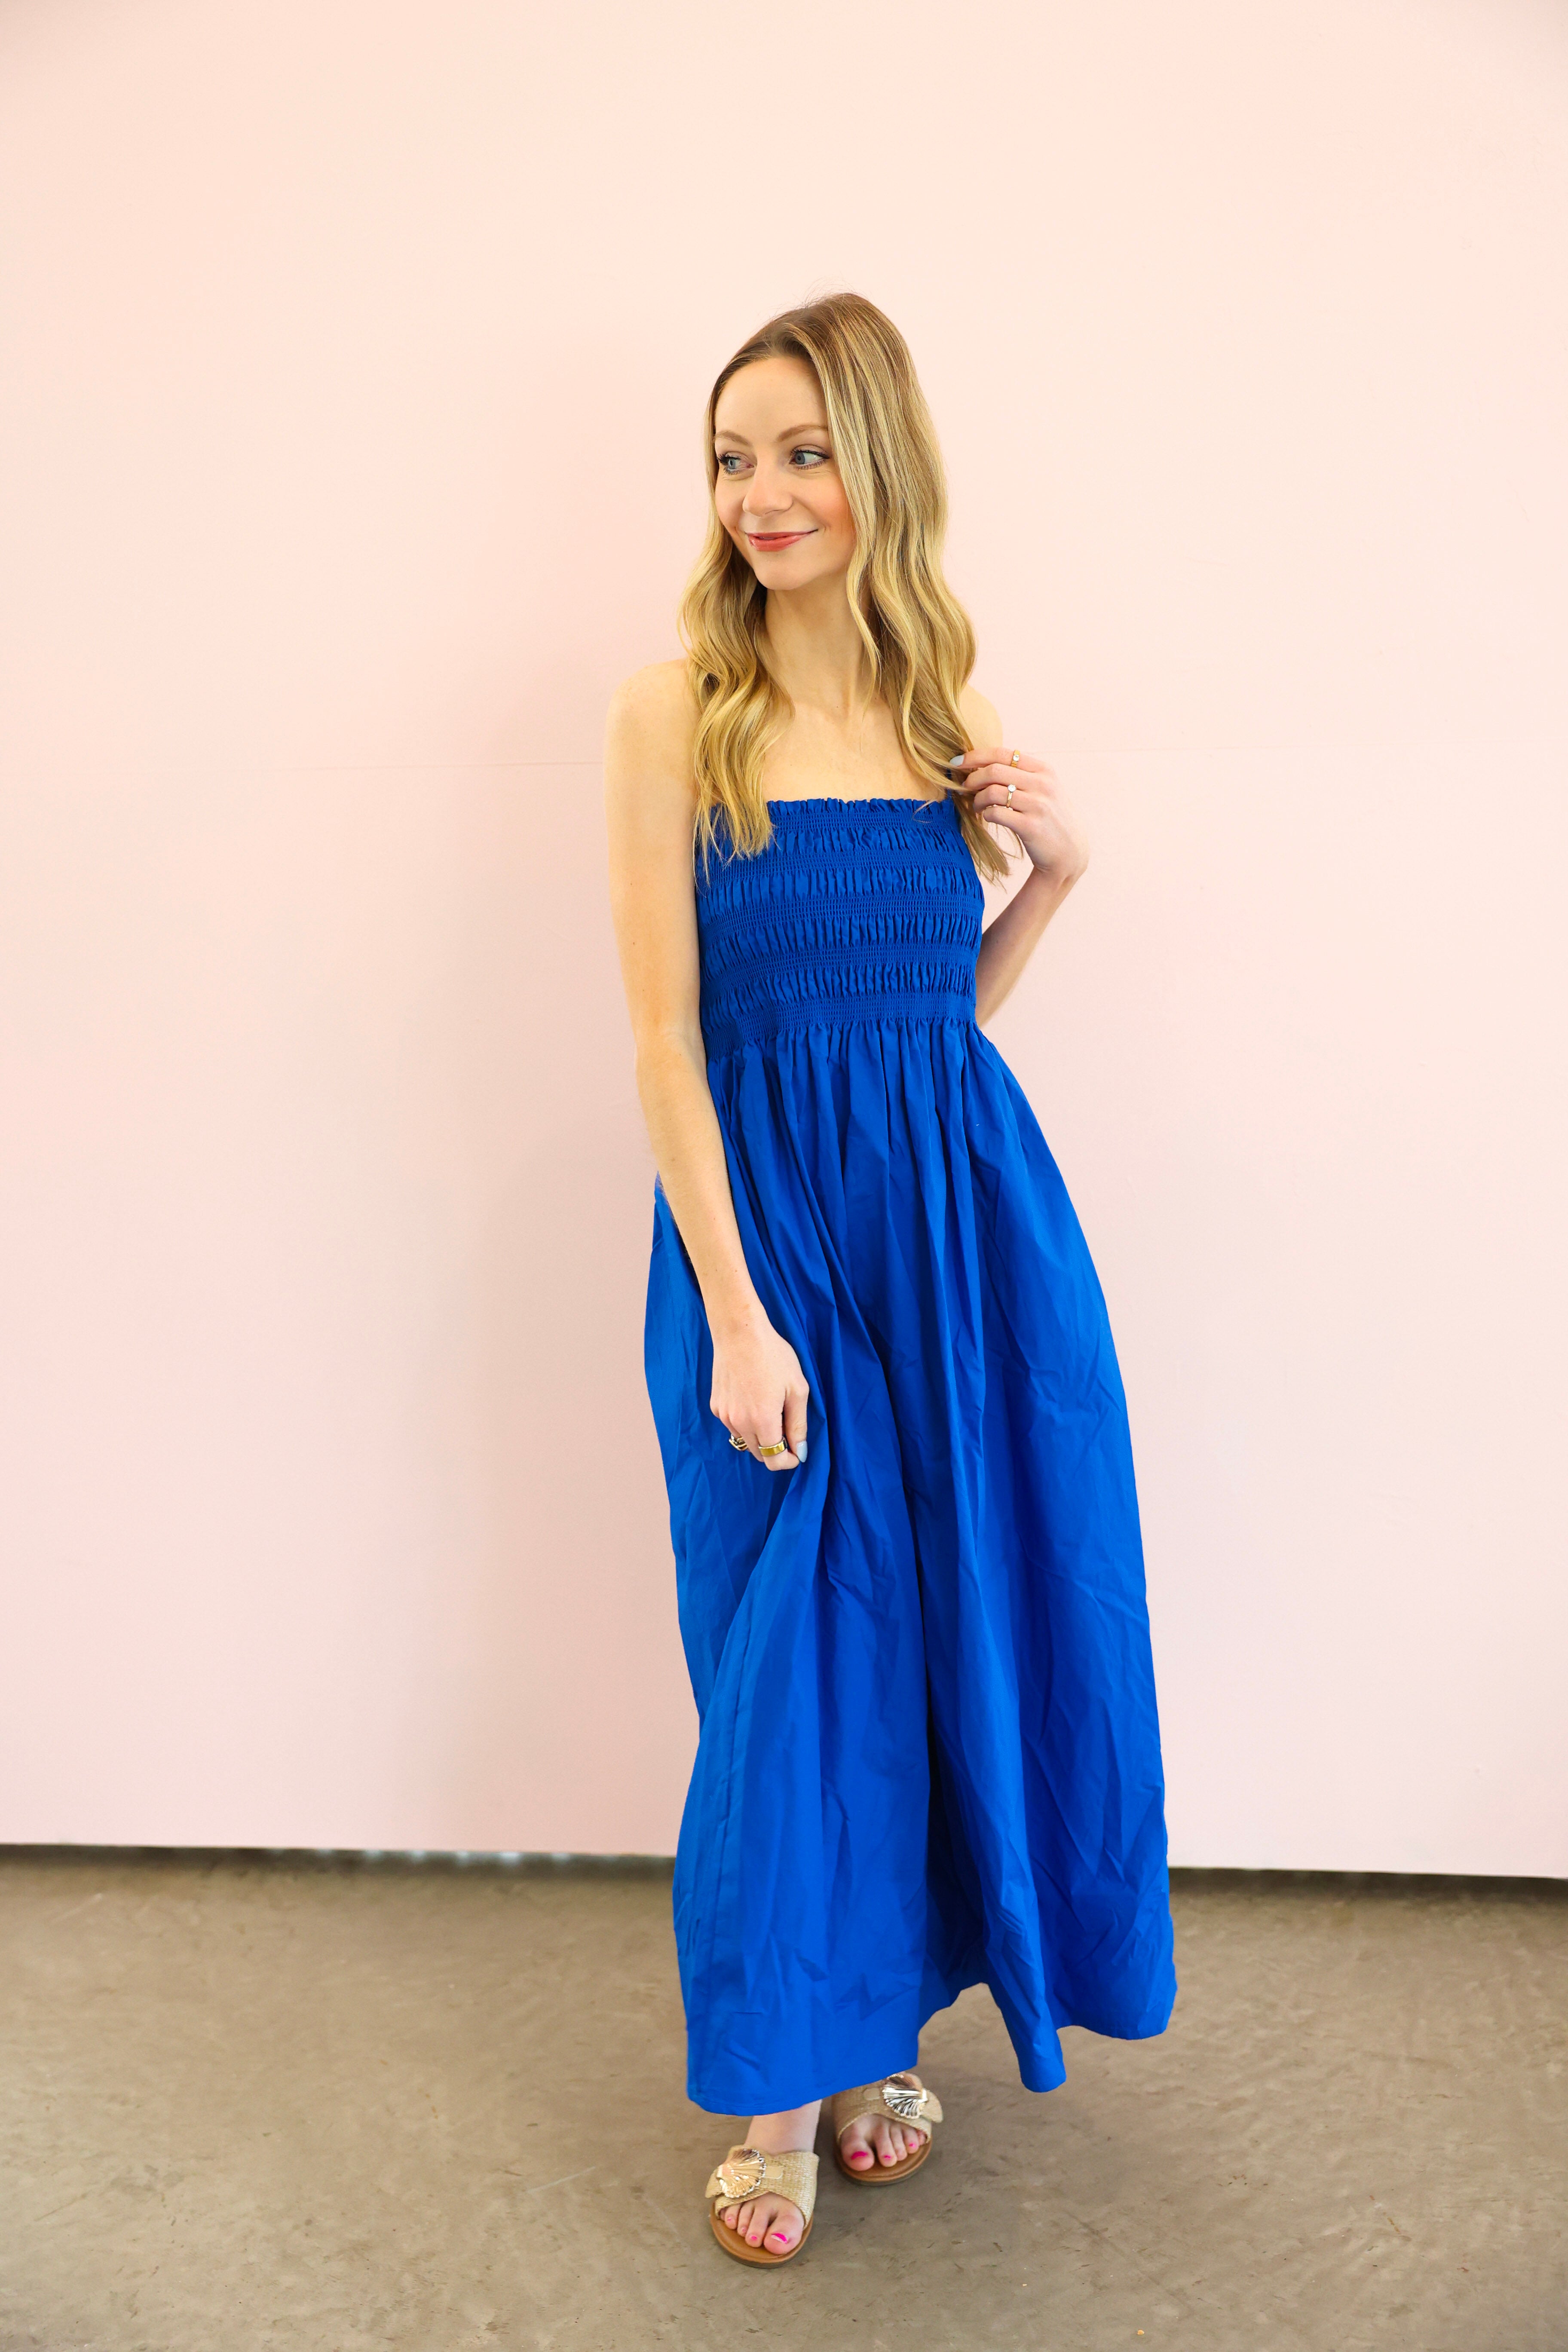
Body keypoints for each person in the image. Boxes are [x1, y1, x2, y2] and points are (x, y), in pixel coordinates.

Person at [603, 292, 1175, 2268]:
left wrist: (1057, 878)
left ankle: (870, 2046)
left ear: (881, 467)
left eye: (802, 452)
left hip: (960, 1245)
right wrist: (737, 1312)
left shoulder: (949, 710)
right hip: (766, 1256)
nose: (761, 494)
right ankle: (779, 2088)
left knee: (936, 1648)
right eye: (732, 458)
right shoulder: (676, 712)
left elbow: (937, 1024)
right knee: (789, 1671)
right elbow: (667, 1044)